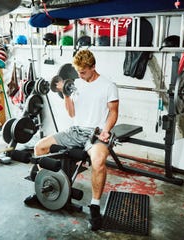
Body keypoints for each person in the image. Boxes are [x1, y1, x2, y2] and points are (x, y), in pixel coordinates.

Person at [34, 49, 119, 231]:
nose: (80, 75)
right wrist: (65, 95)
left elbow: (113, 112)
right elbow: (72, 113)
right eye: (78, 71)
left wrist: (106, 131)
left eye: (83, 71)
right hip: (75, 130)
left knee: (98, 162)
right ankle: (48, 185)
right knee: (39, 148)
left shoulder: (108, 86)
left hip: (96, 133)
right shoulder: (76, 84)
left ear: (93, 67)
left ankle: (95, 207)